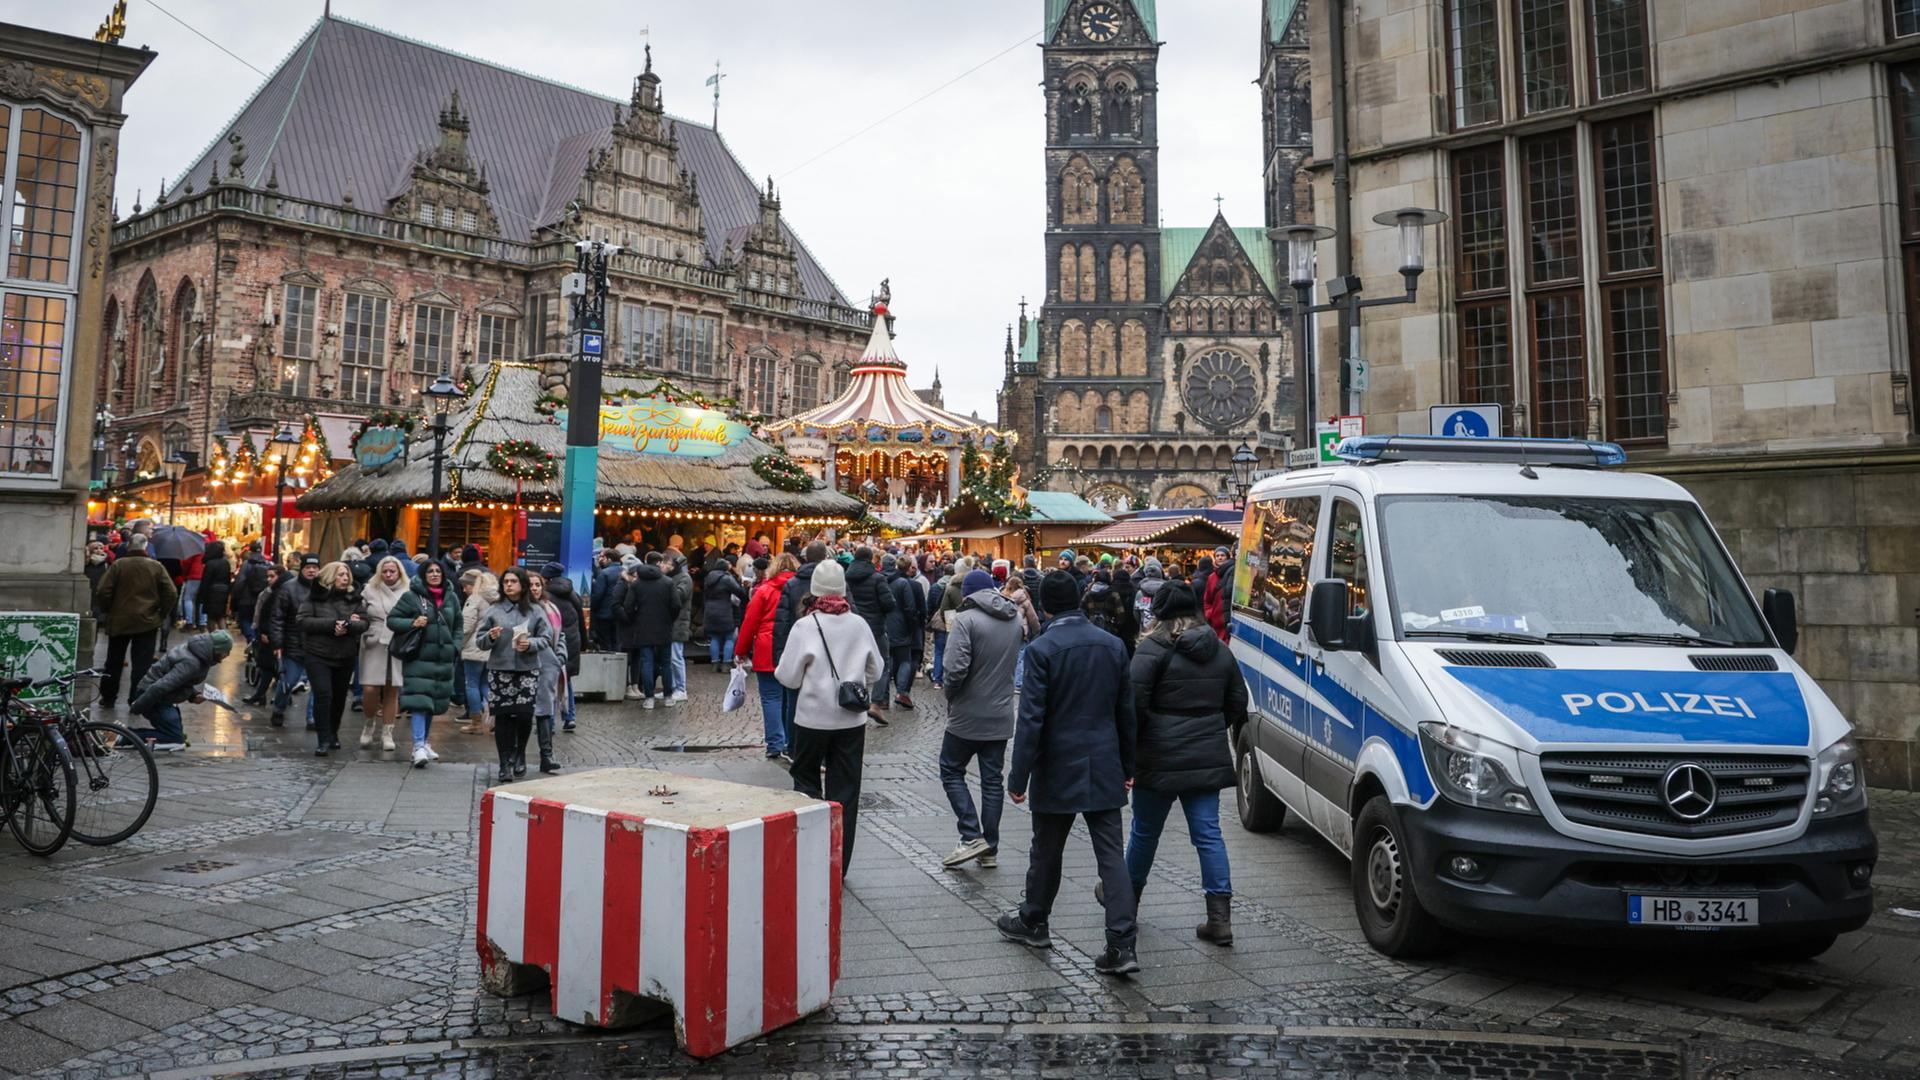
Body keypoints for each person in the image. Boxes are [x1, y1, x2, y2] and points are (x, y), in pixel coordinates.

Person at [997, 570, 1139, 977]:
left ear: (1044, 606)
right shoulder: (1112, 646)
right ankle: (1121, 942)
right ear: (1078, 599)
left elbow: (1032, 721)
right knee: (1111, 856)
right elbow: (1125, 713)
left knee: (1047, 850)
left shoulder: (1043, 649)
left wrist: (1018, 776)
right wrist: (1129, 766)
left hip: (1058, 763)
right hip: (1104, 761)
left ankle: (1034, 920)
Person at [1121, 582, 1246, 945]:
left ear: (1158, 613)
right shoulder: (1219, 650)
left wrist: (1133, 749)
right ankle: (1219, 920)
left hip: (1157, 756)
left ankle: (1127, 905)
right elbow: (1239, 699)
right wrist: (1210, 727)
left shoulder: (1152, 649)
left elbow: (1133, 706)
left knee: (1144, 833)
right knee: (1209, 836)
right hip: (1204, 755)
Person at [775, 558, 884, 875]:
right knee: (846, 793)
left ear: (814, 591)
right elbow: (876, 669)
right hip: (851, 722)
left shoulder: (805, 626)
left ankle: (808, 857)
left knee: (806, 784)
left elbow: (788, 677)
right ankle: (838, 865)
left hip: (811, 720)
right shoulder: (859, 624)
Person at [938, 570, 1021, 870]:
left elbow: (955, 668)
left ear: (968, 593)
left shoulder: (966, 619)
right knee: (992, 781)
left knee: (950, 769)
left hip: (967, 714)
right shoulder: (1013, 619)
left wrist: (951, 695)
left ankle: (971, 834)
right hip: (1000, 713)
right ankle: (990, 848)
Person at [475, 566, 550, 782]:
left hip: (527, 669)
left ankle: (520, 753)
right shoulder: (494, 610)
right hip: (500, 669)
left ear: (522, 584)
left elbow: (546, 638)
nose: (508, 585)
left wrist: (531, 644)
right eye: (505, 581)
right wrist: (490, 636)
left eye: (513, 581)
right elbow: (480, 642)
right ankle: (504, 762)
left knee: (525, 715)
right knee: (504, 716)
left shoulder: (536, 610)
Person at [388, 560, 462, 767]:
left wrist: (456, 645)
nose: (435, 574)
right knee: (419, 701)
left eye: (438, 571)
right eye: (430, 571)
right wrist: (412, 623)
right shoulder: (411, 597)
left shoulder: (452, 597)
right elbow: (392, 620)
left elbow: (458, 623)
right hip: (419, 657)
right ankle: (418, 745)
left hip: (443, 658)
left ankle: (425, 742)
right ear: (423, 574)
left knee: (433, 702)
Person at [95, 533, 179, 710]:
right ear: (145, 546)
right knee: (142, 663)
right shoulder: (156, 567)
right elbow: (171, 592)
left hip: (119, 619)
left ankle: (108, 697)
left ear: (128, 546)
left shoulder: (118, 565)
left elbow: (103, 591)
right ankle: (136, 698)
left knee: (113, 661)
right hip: (147, 621)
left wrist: (108, 609)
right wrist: (161, 613)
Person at [296, 561, 368, 756]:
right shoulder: (314, 597)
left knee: (338, 698)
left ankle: (333, 733)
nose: (345, 578)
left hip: (344, 655)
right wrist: (331, 625)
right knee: (323, 695)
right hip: (318, 654)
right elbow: (302, 620)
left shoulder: (354, 598)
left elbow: (364, 622)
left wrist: (351, 625)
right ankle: (322, 738)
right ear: (329, 577)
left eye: (347, 574)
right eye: (340, 575)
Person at [736, 552, 797, 761]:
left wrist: (741, 650)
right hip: (792, 647)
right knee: (790, 698)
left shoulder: (765, 590)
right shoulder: (799, 590)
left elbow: (749, 622)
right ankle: (791, 742)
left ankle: (774, 744)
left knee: (771, 697)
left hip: (767, 647)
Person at [128, 630, 234, 751]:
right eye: (226, 651)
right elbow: (161, 686)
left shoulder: (197, 651)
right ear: (218, 649)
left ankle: (126, 735)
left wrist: (194, 695)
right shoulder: (192, 662)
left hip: (159, 696)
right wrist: (138, 706)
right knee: (175, 739)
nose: (227, 655)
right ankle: (125, 736)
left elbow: (180, 681)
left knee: (175, 735)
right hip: (155, 697)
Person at [357, 556, 411, 751]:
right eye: (385, 571)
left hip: (398, 641)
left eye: (392, 571)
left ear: (399, 572)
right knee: (370, 688)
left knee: (392, 688)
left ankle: (388, 732)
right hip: (374, 640)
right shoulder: (369, 590)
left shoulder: (408, 590)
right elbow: (360, 612)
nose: (388, 575)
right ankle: (369, 723)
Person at [617, 552, 679, 708]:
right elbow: (676, 605)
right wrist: (669, 620)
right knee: (666, 663)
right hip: (664, 627)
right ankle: (668, 696)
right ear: (659, 564)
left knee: (647, 662)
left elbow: (628, 606)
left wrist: (635, 619)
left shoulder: (637, 584)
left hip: (643, 627)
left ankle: (649, 698)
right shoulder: (668, 582)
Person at [844, 546, 896, 724]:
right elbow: (889, 603)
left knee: (854, 663)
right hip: (875, 628)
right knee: (882, 662)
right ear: (871, 559)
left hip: (852, 627)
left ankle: (853, 699)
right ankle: (875, 703)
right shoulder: (877, 578)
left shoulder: (846, 577)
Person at [268, 556, 321, 727]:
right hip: (293, 644)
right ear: (302, 568)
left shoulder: (324, 589)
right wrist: (277, 643)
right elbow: (277, 617)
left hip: (318, 645)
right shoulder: (288, 588)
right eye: (308, 567)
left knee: (318, 685)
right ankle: (279, 708)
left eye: (315, 567)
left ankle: (312, 717)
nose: (312, 570)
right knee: (288, 681)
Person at [527, 571, 568, 774]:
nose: (534, 588)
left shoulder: (551, 608)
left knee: (544, 710)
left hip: (547, 663)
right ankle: (517, 757)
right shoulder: (521, 609)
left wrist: (560, 656)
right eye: (531, 584)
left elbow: (561, 635)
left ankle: (547, 756)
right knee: (522, 712)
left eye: (537, 584)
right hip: (524, 663)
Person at [539, 562, 585, 732]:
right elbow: (581, 621)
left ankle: (549, 721)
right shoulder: (573, 593)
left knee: (548, 682)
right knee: (567, 680)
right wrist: (584, 643)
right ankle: (569, 717)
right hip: (571, 643)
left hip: (553, 643)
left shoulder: (545, 597)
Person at [456, 569, 498, 732]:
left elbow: (466, 627)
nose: (464, 589)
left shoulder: (475, 599)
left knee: (471, 684)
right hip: (490, 646)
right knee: (485, 685)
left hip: (474, 647)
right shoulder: (496, 600)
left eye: (466, 586)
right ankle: (494, 718)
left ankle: (476, 721)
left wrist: (459, 644)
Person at [882, 554, 926, 709]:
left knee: (888, 661)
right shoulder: (904, 583)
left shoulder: (880, 581)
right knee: (905, 659)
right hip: (901, 627)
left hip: (884, 626)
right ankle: (902, 693)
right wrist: (913, 626)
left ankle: (883, 698)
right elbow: (910, 608)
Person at [703, 555, 748, 670]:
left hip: (710, 610)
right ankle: (726, 664)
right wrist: (745, 590)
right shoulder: (726, 578)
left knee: (714, 637)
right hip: (724, 610)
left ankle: (714, 664)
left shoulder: (708, 578)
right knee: (729, 637)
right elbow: (739, 592)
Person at [230, 541, 272, 644]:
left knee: (245, 620)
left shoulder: (247, 564)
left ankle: (251, 638)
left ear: (250, 550)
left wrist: (235, 595)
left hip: (246, 598)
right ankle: (255, 641)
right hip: (263, 598)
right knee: (257, 621)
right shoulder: (268, 564)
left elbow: (240, 581)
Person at [666, 551, 694, 703]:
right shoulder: (677, 578)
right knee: (671, 657)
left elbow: (679, 595)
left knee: (676, 657)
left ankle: (681, 688)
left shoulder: (684, 578)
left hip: (679, 622)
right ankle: (672, 687)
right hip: (675, 622)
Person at [590, 547, 626, 651]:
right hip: (619, 614)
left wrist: (594, 609)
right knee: (617, 641)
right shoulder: (625, 572)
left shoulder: (604, 573)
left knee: (605, 643)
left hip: (604, 614)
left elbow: (598, 595)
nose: (601, 560)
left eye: (603, 558)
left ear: (609, 559)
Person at [198, 541, 233, 630]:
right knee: (221, 616)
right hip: (223, 591)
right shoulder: (226, 563)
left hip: (212, 592)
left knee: (211, 616)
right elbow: (228, 578)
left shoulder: (210, 564)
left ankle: (213, 636)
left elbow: (206, 580)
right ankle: (224, 636)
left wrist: (201, 595)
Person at [1201, 547, 1232, 642]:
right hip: (1215, 621)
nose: (1220, 558)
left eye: (1222, 555)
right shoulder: (1211, 577)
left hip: (1227, 620)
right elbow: (1207, 599)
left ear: (1227, 557)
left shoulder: (1232, 574)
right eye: (1217, 556)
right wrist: (1209, 613)